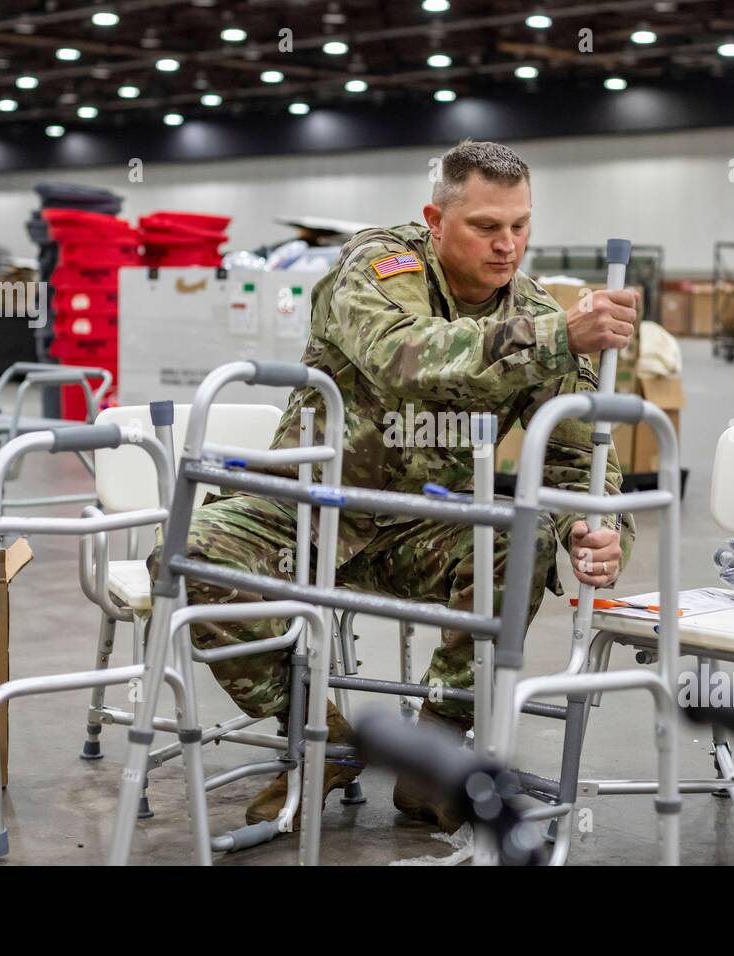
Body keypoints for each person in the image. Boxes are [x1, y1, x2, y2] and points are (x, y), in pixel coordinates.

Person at [150, 139, 637, 831]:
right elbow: (404, 357)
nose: (507, 247)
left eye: (520, 226)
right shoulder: (380, 263)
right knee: (192, 552)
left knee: (517, 542)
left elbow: (571, 452)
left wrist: (597, 526)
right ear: (435, 220)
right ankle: (325, 740)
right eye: (485, 227)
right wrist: (559, 335)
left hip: (423, 525)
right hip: (308, 504)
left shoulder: (529, 311)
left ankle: (431, 759)